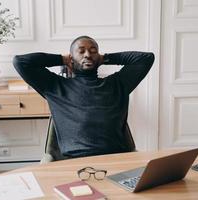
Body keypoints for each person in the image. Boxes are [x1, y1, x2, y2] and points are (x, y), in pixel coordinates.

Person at [13, 36, 155, 159]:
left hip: (116, 158)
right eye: (81, 51)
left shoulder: (118, 84)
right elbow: (21, 62)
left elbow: (146, 58)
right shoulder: (55, 87)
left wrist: (105, 57)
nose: (87, 54)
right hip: (75, 162)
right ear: (71, 57)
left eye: (93, 51)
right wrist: (62, 59)